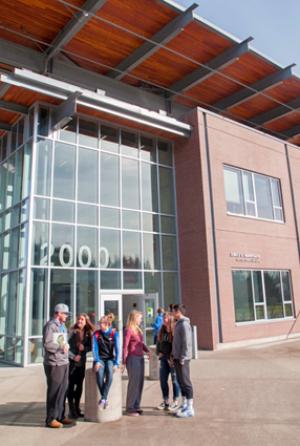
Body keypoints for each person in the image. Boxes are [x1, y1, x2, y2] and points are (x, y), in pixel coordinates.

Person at [43, 303, 74, 428]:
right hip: (54, 363)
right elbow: (48, 344)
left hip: (64, 362)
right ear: (58, 313)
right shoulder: (51, 326)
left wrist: (69, 353)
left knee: (63, 390)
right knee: (54, 391)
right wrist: (61, 346)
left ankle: (60, 416)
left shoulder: (62, 326)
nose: (67, 316)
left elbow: (63, 343)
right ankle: (51, 419)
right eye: (65, 313)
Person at [67, 313, 95, 418]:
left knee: (79, 386)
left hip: (81, 363)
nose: (80, 321)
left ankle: (77, 408)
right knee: (70, 386)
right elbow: (65, 346)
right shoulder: (71, 331)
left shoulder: (88, 333)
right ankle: (71, 410)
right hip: (71, 362)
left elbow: (90, 346)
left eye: (82, 320)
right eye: (79, 319)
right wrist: (73, 356)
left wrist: (85, 348)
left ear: (86, 321)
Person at [122, 310, 150, 416]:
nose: (141, 320)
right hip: (132, 359)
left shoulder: (138, 330)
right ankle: (130, 407)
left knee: (140, 383)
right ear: (134, 318)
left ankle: (136, 405)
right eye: (140, 318)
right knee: (134, 383)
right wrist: (124, 361)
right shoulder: (128, 330)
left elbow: (141, 343)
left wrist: (147, 351)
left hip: (140, 358)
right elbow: (125, 346)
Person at [172, 304, 195, 418]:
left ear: (178, 312)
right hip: (177, 357)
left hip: (183, 359)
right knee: (180, 381)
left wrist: (183, 357)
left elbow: (187, 342)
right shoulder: (178, 324)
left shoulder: (184, 325)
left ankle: (190, 408)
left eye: (173, 311)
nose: (172, 313)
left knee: (186, 382)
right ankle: (185, 404)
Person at [93, 316, 120, 410]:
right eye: (99, 323)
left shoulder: (113, 333)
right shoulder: (96, 334)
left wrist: (116, 363)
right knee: (99, 375)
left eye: (102, 323)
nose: (100, 325)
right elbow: (95, 349)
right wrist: (96, 361)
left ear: (107, 324)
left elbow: (117, 349)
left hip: (109, 359)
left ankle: (103, 399)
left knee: (110, 373)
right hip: (99, 359)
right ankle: (104, 399)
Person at [156, 312, 180, 411]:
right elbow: (158, 343)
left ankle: (175, 401)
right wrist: (159, 352)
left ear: (169, 319)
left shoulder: (174, 331)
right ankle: (165, 401)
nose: (163, 320)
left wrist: (172, 357)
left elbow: (176, 346)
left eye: (165, 318)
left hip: (172, 360)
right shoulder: (161, 330)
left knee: (174, 381)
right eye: (163, 318)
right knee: (162, 380)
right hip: (163, 360)